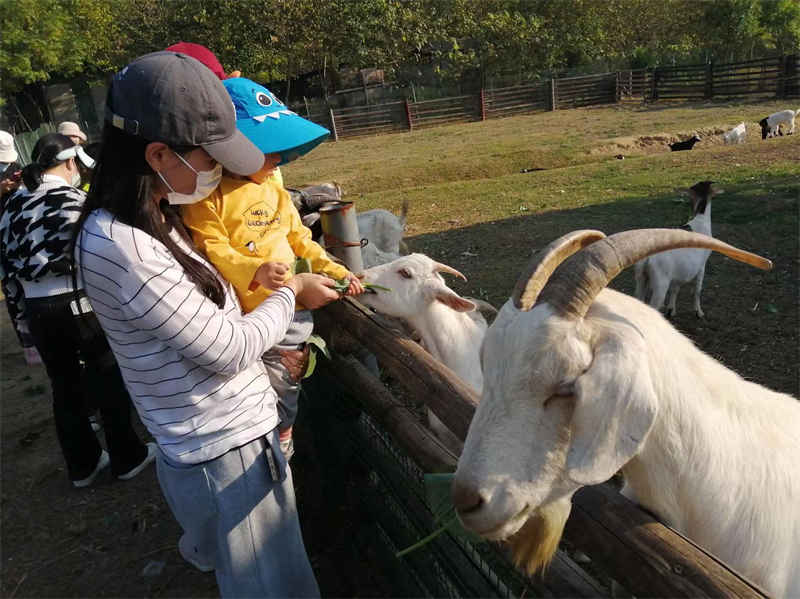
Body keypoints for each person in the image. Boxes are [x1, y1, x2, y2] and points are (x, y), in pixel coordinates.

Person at [70, 51, 340, 597]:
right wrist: (291, 292)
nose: (217, 172)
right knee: (269, 587)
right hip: (224, 453)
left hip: (220, 444)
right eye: (209, 156)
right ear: (158, 154)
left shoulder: (154, 219)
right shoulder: (124, 246)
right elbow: (228, 349)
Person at [182, 77, 363, 461]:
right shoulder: (206, 199)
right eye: (268, 151)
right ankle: (276, 451)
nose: (277, 160)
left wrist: (335, 270)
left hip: (293, 316)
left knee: (287, 387)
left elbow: (301, 240)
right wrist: (254, 268)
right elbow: (210, 248)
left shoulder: (274, 190)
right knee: (268, 394)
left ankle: (284, 444)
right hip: (250, 319)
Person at [0, 132, 155, 487]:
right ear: (71, 162)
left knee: (64, 386)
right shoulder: (72, 200)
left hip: (36, 308)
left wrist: (21, 320)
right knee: (106, 375)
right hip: (77, 303)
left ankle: (82, 465)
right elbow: (96, 256)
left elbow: (6, 266)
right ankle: (126, 457)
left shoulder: (12, 205)